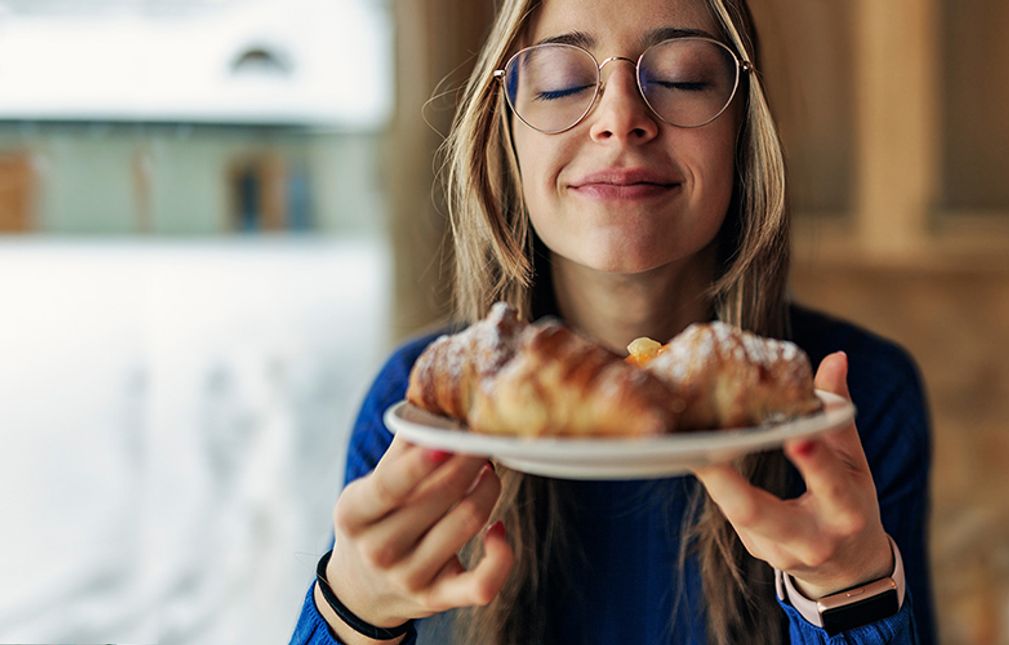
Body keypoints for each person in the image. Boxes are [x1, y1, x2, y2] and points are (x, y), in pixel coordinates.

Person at [291, 0, 935, 642]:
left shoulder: (852, 402)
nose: (620, 119)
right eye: (560, 83)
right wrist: (353, 610)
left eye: (682, 77)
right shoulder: (422, 406)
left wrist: (849, 589)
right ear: (507, 131)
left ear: (743, 126)